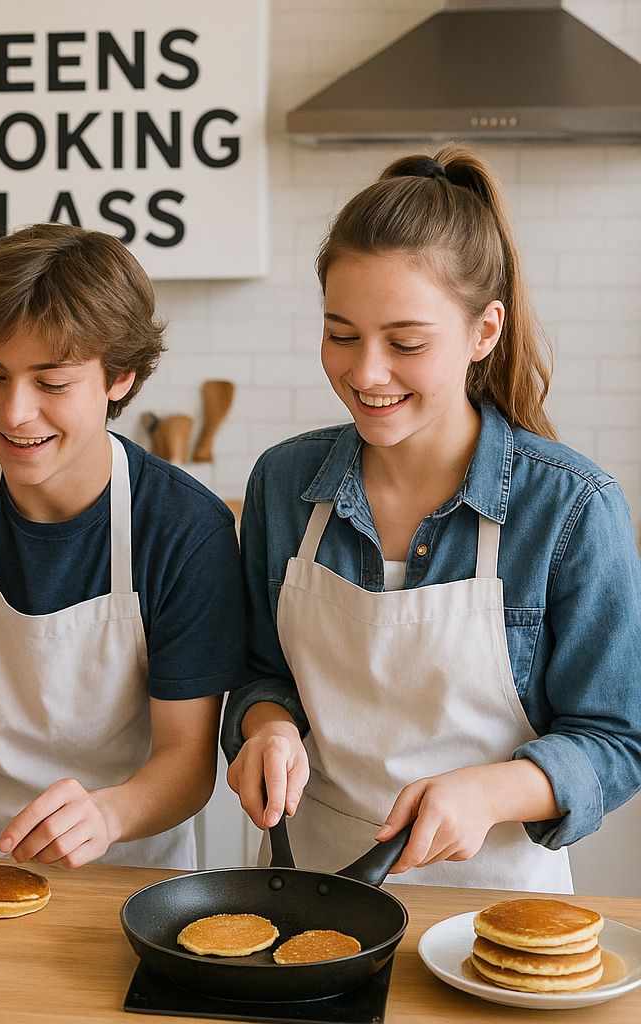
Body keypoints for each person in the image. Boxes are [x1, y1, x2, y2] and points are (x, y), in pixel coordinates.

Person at [223, 145, 641, 892]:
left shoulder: (572, 507)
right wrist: (268, 728)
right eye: (341, 334)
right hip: (311, 885)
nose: (365, 372)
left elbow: (618, 741)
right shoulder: (284, 484)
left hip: (496, 902)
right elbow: (262, 672)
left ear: (485, 332)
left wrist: (488, 789)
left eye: (406, 343)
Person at [0, 223, 245, 869]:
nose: (13, 413)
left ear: (119, 377)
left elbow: (185, 761)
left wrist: (108, 814)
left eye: (52, 383)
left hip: (125, 874)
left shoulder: (184, 527)